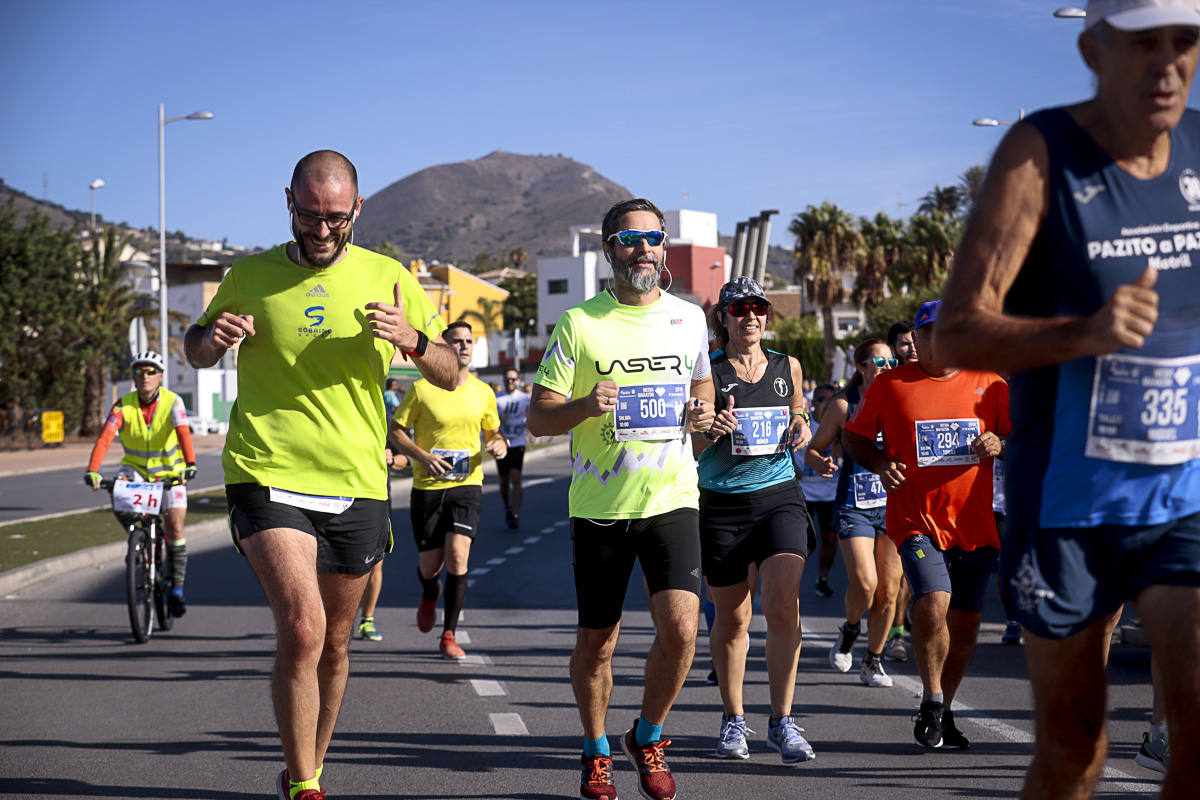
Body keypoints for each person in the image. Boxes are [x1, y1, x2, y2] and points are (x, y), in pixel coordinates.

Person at [934, 2, 1200, 795]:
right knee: (1074, 743)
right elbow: (956, 334)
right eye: (1142, 43)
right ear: (1092, 49)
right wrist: (1083, 333)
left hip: (1182, 494)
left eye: (1184, 42)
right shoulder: (1039, 153)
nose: (1166, 64)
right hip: (1067, 503)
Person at [183, 149, 456, 800]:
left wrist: (413, 339)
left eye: (336, 216)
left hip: (355, 478)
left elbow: (449, 373)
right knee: (302, 630)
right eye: (310, 215)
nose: (324, 229)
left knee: (336, 643)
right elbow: (194, 350)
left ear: (357, 208)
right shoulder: (249, 274)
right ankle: (305, 783)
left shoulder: (389, 276)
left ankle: (310, 761)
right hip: (266, 468)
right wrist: (212, 342)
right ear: (289, 203)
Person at [526, 198, 714, 800]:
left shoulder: (689, 319)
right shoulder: (580, 324)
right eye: (630, 240)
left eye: (654, 238)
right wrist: (585, 405)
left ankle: (650, 734)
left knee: (683, 630)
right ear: (609, 249)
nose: (644, 249)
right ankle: (596, 747)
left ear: (664, 247)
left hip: (672, 497)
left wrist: (703, 412)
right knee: (598, 643)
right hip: (601, 507)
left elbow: (702, 383)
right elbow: (537, 418)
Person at [843, 301, 1009, 750]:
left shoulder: (990, 383)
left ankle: (946, 709)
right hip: (916, 520)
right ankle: (932, 700)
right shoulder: (891, 385)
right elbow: (853, 437)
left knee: (967, 626)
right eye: (932, 331)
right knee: (934, 602)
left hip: (974, 525)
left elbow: (1021, 434)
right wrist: (880, 463)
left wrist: (1001, 440)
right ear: (917, 339)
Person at [696, 276, 816, 764]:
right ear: (722, 317)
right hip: (722, 503)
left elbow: (798, 412)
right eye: (740, 308)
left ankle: (783, 721)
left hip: (778, 496)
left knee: (783, 602)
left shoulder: (788, 365)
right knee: (734, 616)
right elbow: (695, 441)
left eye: (759, 308)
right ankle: (733, 719)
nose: (751, 316)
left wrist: (802, 426)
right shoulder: (707, 370)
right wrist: (711, 429)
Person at [389, 320, 507, 659]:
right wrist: (421, 456)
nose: (465, 346)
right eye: (457, 341)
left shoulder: (484, 392)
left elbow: (494, 434)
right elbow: (396, 431)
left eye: (470, 341)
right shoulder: (422, 389)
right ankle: (429, 593)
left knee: (458, 555)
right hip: (427, 487)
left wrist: (498, 445)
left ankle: (449, 634)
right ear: (445, 346)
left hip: (467, 486)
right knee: (430, 566)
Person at [806, 339, 904, 689]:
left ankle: (873, 661)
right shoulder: (844, 407)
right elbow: (813, 451)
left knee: (889, 592)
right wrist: (822, 463)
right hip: (854, 504)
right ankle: (850, 629)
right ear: (861, 367)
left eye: (892, 361)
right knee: (866, 583)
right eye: (879, 360)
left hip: (894, 505)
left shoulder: (903, 399)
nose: (887, 366)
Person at [84, 350, 198, 618]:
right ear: (133, 378)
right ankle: (139, 541)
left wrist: (190, 464)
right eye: (139, 372)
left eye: (150, 372)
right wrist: (92, 470)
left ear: (160, 376)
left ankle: (177, 589)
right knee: (117, 497)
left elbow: (183, 432)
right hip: (136, 473)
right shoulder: (122, 406)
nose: (144, 376)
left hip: (171, 474)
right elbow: (104, 438)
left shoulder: (174, 402)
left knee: (176, 527)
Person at [798, 382, 840, 599]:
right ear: (813, 402)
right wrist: (794, 468)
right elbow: (787, 447)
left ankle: (822, 578)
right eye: (822, 399)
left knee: (830, 538)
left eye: (831, 400)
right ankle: (791, 581)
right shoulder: (803, 423)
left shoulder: (839, 424)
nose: (826, 404)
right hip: (804, 490)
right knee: (799, 541)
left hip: (831, 492)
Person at [495, 368, 531, 529]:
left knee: (516, 478)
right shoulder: (497, 399)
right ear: (503, 381)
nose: (510, 382)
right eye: (507, 380)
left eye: (513, 379)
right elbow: (490, 423)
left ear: (518, 380)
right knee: (504, 481)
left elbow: (532, 414)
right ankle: (507, 507)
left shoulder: (525, 398)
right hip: (502, 443)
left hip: (518, 442)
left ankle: (515, 513)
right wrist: (499, 421)